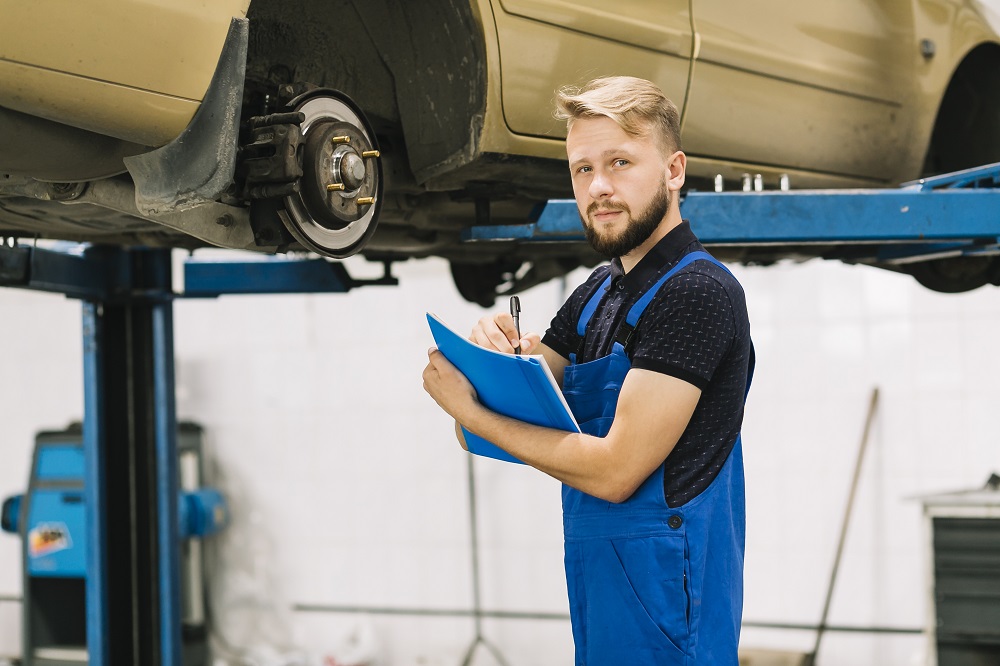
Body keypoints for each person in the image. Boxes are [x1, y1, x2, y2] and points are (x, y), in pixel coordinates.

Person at [422, 75, 754, 665]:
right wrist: (489, 361)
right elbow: (477, 432)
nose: (598, 187)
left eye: (620, 162)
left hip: (669, 603)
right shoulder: (598, 293)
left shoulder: (697, 293)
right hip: (603, 586)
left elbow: (615, 473)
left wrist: (470, 405)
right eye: (581, 169)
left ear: (674, 170)